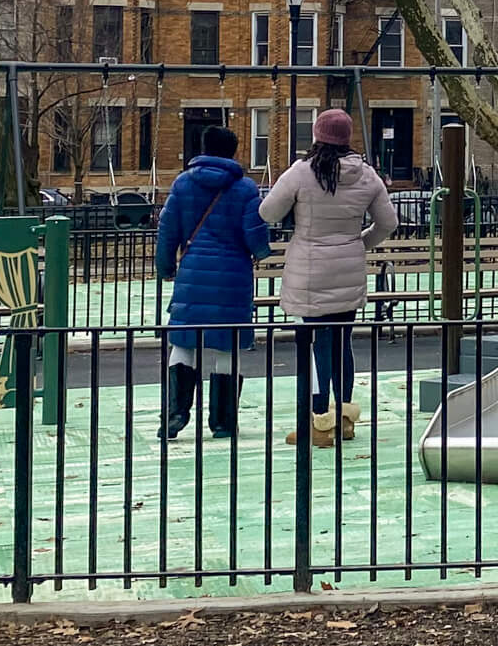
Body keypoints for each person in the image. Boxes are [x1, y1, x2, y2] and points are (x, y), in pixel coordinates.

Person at [259, 109, 398, 448]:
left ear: (318, 136)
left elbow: (268, 212)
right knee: (342, 343)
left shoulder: (302, 172)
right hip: (348, 265)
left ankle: (319, 422)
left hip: (311, 267)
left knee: (319, 343)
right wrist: (358, 243)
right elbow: (388, 223)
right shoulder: (367, 176)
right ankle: (344, 419)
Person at [156, 125, 271, 440]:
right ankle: (222, 422)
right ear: (233, 151)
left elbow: (167, 230)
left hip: (192, 272)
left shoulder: (183, 184)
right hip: (233, 275)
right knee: (227, 345)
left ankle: (175, 415)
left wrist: (166, 266)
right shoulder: (246, 188)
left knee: (183, 342)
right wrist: (261, 250)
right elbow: (255, 235)